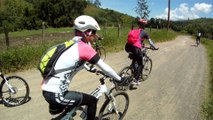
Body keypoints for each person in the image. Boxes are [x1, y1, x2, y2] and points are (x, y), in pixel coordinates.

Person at [41, 15, 126, 120]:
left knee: (75, 106)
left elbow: (74, 61)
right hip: (56, 94)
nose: (95, 36)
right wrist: (120, 79)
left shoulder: (71, 44)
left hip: (48, 89)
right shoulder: (84, 48)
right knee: (92, 101)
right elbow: (105, 67)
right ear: (87, 33)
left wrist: (89, 68)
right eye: (94, 32)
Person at [125, 19, 159, 86]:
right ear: (144, 25)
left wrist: (142, 46)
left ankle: (133, 68)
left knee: (135, 58)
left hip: (127, 47)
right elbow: (150, 43)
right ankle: (136, 80)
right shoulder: (144, 32)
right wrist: (155, 47)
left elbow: (138, 41)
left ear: (139, 25)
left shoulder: (135, 30)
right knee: (141, 64)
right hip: (136, 48)